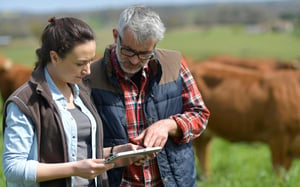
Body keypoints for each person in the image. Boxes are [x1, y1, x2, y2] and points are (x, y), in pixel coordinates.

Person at [2, 17, 142, 187]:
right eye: (80, 63)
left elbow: (77, 152)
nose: (88, 70)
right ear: (54, 57)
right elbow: (13, 168)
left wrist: (117, 153)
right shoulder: (25, 102)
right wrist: (74, 169)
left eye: (90, 61)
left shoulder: (82, 92)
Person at [84, 5, 210, 187]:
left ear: (155, 45)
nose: (134, 60)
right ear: (115, 36)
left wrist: (169, 125)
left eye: (143, 54)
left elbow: (200, 115)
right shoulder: (90, 77)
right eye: (127, 50)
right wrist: (117, 153)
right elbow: (76, 142)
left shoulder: (173, 65)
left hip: (173, 181)